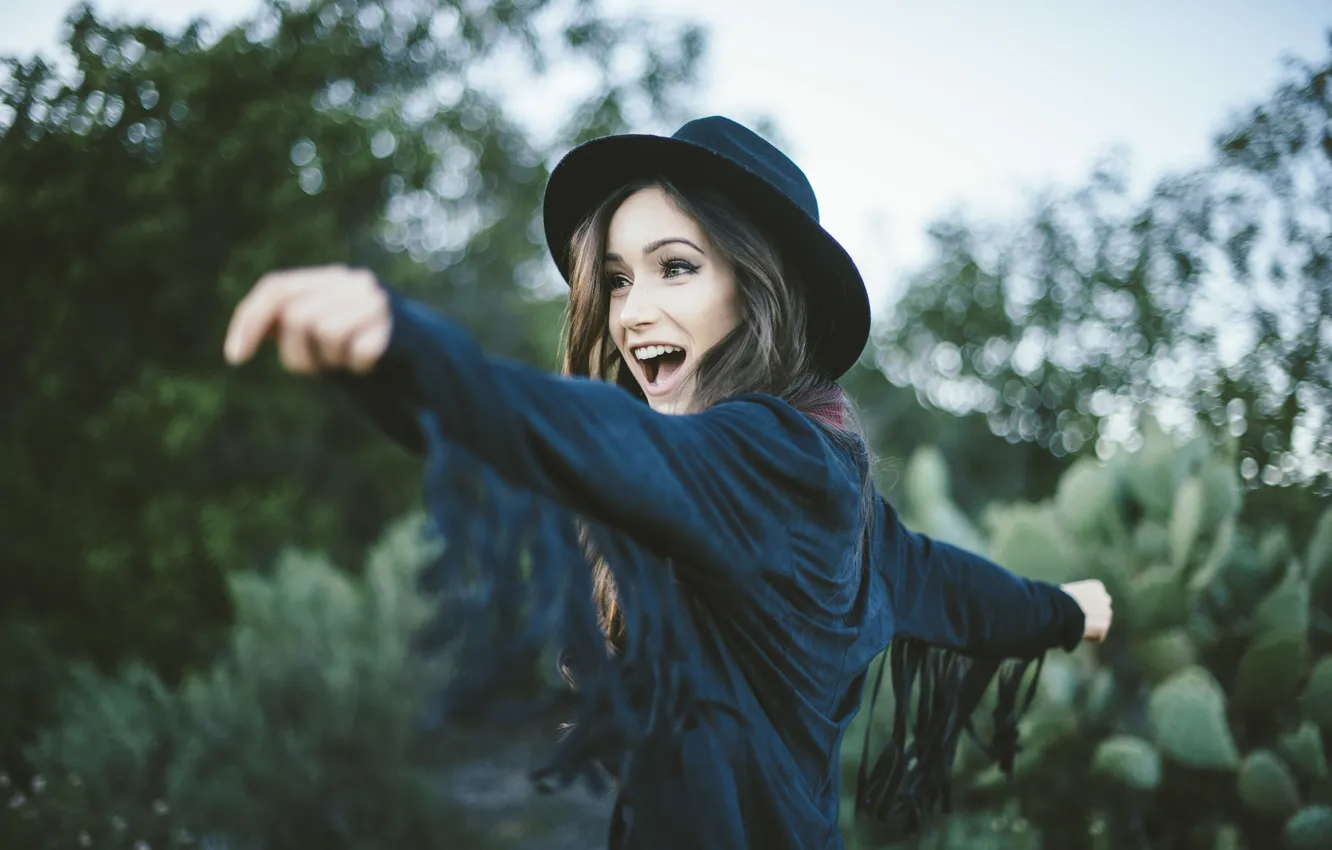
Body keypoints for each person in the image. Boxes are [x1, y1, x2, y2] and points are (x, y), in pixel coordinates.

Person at [223, 116, 1113, 850]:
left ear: (758, 290)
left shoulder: (763, 457)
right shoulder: (836, 491)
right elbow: (957, 587)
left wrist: (409, 354)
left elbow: (593, 436)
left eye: (675, 267)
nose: (632, 311)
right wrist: (1065, 610)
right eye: (615, 279)